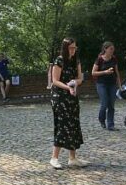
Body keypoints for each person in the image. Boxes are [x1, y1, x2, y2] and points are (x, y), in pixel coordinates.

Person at [49, 38, 85, 169]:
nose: (73, 50)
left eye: (75, 48)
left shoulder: (76, 60)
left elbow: (80, 78)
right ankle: (54, 157)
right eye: (71, 48)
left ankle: (72, 158)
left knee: (74, 123)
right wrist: (67, 87)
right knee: (62, 124)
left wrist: (75, 83)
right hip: (59, 96)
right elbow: (55, 80)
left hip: (72, 95)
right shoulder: (59, 60)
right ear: (65, 48)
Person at [91, 42, 121, 130]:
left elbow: (117, 72)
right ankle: (101, 119)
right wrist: (105, 72)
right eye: (111, 49)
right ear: (105, 49)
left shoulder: (114, 59)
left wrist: (119, 85)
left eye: (113, 49)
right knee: (104, 103)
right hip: (101, 84)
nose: (112, 50)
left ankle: (111, 125)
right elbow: (93, 73)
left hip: (112, 84)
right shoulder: (100, 59)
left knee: (111, 104)